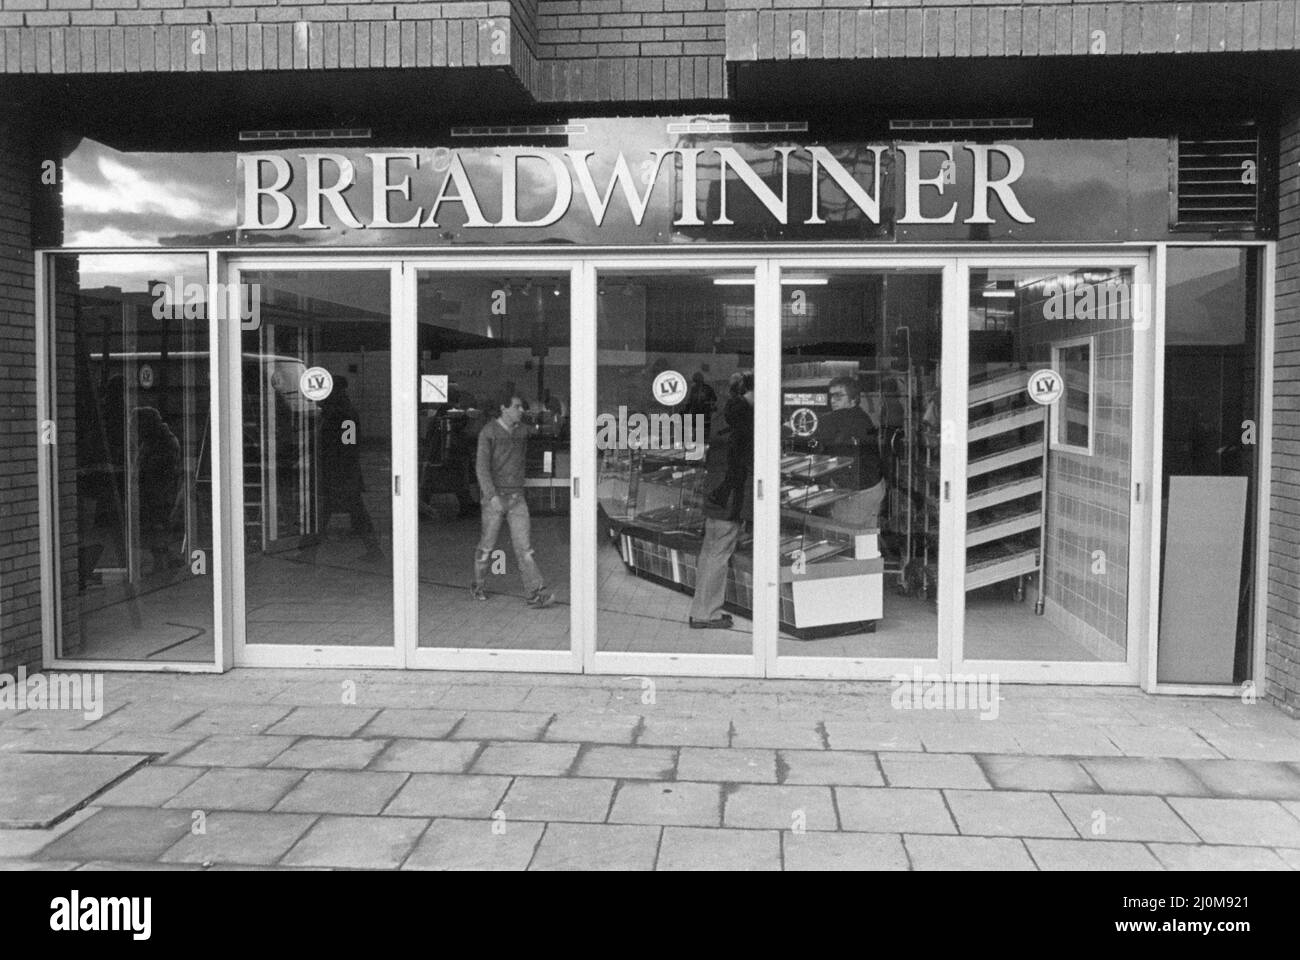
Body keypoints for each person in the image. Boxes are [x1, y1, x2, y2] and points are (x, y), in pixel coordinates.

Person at [472, 389, 554, 607]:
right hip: (495, 499)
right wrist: (491, 496)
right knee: (487, 546)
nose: (521, 411)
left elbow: (543, 430)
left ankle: (535, 593)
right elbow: (481, 468)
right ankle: (478, 584)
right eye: (516, 407)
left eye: (521, 407)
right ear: (503, 408)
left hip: (518, 498)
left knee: (524, 549)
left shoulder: (522, 431)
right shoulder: (488, 432)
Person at [688, 372, 754, 629]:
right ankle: (706, 614)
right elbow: (741, 459)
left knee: (710, 551)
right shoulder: (743, 416)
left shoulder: (723, 413)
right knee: (718, 552)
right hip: (728, 496)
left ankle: (702, 609)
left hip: (715, 491)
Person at [315, 375, 384, 563]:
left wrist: (341, 471)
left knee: (344, 511)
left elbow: (349, 444)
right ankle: (373, 549)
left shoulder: (343, 415)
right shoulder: (336, 412)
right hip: (340, 473)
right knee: (340, 511)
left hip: (341, 473)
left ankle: (308, 550)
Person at [814, 376, 886, 529]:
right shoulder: (860, 416)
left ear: (853, 399)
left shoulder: (846, 417)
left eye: (839, 396)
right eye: (831, 395)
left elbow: (815, 425)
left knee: (844, 536)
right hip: (873, 487)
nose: (833, 400)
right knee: (866, 540)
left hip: (859, 494)